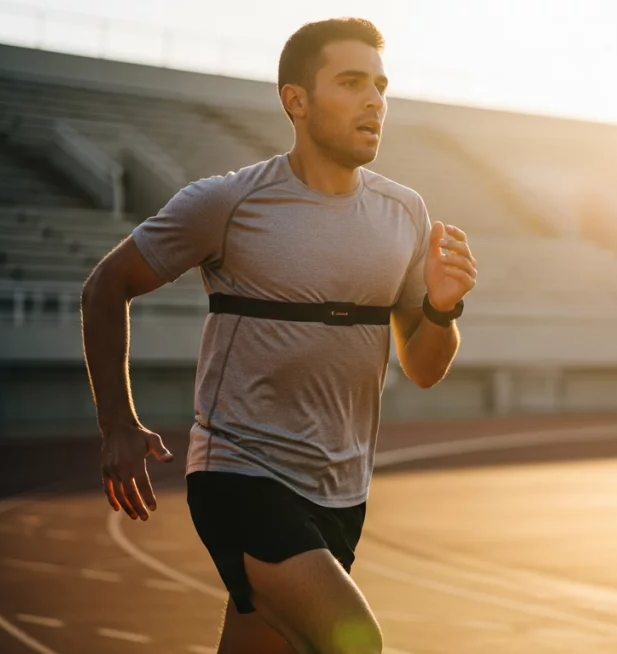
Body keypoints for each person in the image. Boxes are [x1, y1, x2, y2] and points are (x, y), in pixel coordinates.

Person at [80, 17, 477, 653]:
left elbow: (426, 367)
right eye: (351, 82)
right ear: (296, 100)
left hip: (343, 491)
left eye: (380, 85)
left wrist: (441, 306)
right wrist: (117, 423)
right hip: (241, 472)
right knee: (355, 643)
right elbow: (105, 287)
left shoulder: (405, 213)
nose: (374, 100)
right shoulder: (229, 203)